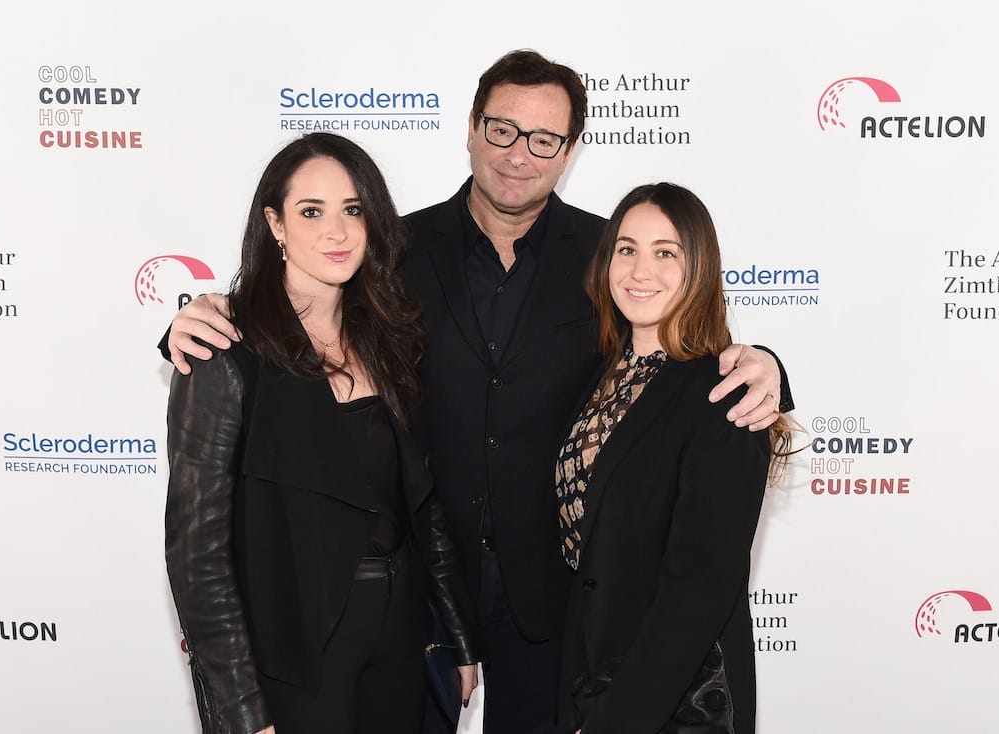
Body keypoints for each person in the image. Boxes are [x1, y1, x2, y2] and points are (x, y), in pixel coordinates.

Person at [163, 51, 793, 734]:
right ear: (470, 128)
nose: (519, 154)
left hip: (558, 607)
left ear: (569, 151)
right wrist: (189, 326)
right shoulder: (392, 252)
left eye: (543, 138)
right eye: (501, 130)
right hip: (426, 604)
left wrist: (771, 368)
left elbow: (673, 355)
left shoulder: (606, 256)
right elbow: (297, 327)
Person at [164, 132, 478, 734]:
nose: (336, 231)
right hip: (293, 652)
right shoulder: (226, 355)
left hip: (400, 639)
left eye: (352, 210)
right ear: (275, 224)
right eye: (312, 211)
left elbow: (420, 501)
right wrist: (241, 709)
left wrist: (458, 637)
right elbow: (197, 554)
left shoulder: (389, 341)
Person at [556, 183, 794, 734]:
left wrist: (620, 719)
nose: (642, 271)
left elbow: (700, 586)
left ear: (699, 268)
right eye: (627, 248)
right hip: (589, 681)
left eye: (667, 252)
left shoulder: (728, 393)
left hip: (678, 701)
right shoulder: (603, 377)